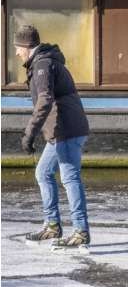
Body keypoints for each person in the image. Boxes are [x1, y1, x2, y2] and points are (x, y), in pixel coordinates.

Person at [14, 25, 91, 247]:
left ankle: (80, 231)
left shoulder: (43, 64)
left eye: (18, 48)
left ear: (28, 47)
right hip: (61, 130)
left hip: (66, 130)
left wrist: (29, 133)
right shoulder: (44, 61)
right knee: (43, 172)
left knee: (69, 177)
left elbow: (44, 100)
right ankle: (52, 225)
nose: (17, 53)